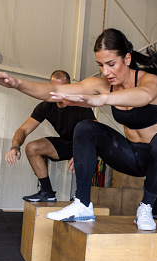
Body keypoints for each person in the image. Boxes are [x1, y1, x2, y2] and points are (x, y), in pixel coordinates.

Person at [0, 28, 157, 230]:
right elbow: (56, 91)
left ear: (127, 59)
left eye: (111, 64)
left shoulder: (149, 80)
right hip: (131, 157)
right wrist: (17, 83)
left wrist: (102, 99)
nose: (105, 72)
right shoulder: (103, 84)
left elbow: (144, 95)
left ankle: (145, 208)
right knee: (86, 128)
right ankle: (83, 204)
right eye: (101, 65)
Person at [5, 70, 96, 202]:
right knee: (32, 148)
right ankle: (47, 192)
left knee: (91, 151)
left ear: (70, 87)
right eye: (54, 88)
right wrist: (15, 146)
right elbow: (23, 129)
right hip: (65, 144)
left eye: (62, 88)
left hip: (82, 145)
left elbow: (95, 133)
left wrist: (82, 153)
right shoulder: (46, 106)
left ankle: (81, 196)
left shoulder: (80, 106)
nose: (57, 92)